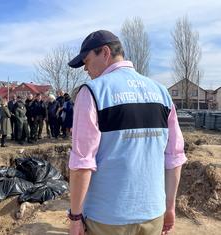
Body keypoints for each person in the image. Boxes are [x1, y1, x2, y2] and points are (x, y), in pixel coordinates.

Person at [67, 30, 187, 235]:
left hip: (107, 218)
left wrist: (76, 217)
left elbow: (82, 164)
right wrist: (169, 207)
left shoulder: (92, 92)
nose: (85, 68)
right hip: (153, 214)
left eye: (86, 61)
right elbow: (174, 158)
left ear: (105, 53)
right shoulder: (161, 93)